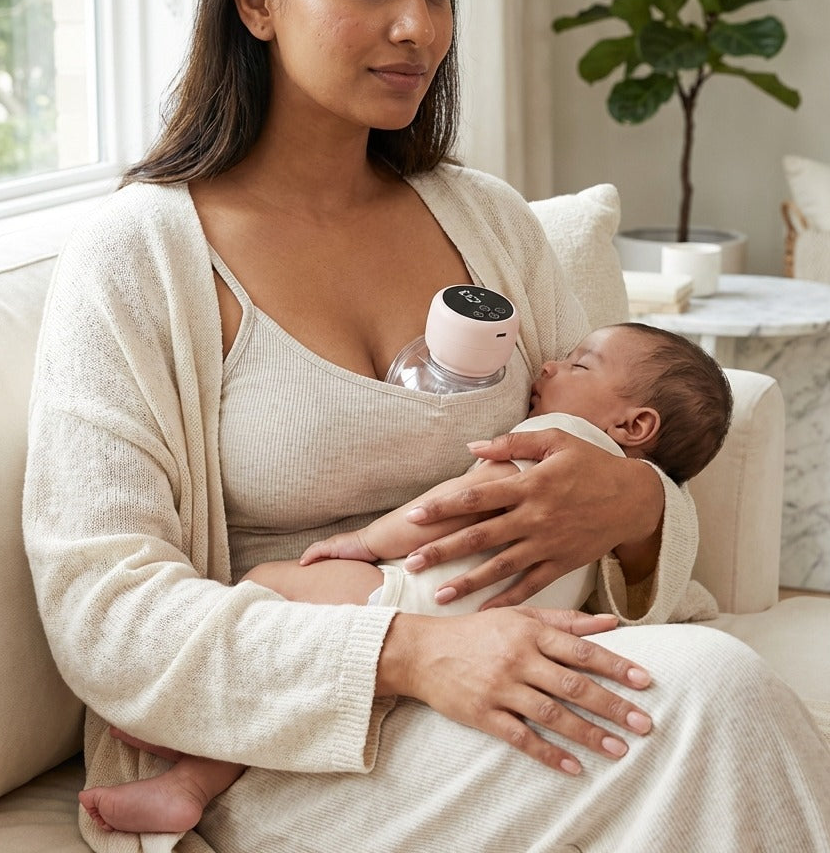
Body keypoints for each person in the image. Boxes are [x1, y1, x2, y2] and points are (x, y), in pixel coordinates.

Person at [22, 0, 830, 850]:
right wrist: (404, 652)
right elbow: (103, 608)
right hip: (286, 737)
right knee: (715, 696)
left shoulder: (487, 222)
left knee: (718, 696)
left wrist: (632, 504)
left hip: (503, 675)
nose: (417, 27)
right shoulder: (139, 258)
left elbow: (620, 435)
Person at [77, 320, 733, 835]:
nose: (551, 363)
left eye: (580, 364)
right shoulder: (600, 506)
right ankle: (191, 758)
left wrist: (365, 542)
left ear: (635, 424)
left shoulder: (558, 439)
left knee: (274, 584)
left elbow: (451, 507)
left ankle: (190, 753)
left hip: (412, 595)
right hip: (502, 632)